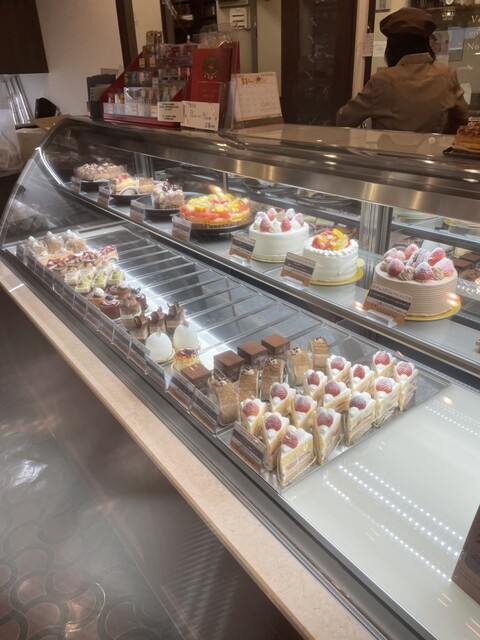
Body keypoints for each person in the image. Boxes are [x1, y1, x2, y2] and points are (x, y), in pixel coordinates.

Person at [336, 7, 468, 134]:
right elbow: (462, 119)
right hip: (434, 150)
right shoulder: (446, 74)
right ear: (426, 43)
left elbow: (343, 119)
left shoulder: (381, 80)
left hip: (388, 150)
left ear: (391, 47)